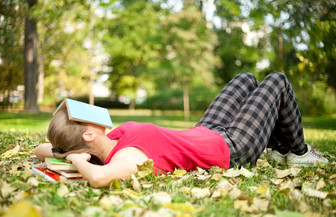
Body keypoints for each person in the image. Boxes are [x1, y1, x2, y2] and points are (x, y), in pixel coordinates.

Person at [34, 72, 329, 187]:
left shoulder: (107, 140)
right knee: (276, 81)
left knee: (246, 79)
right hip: (232, 147)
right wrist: (76, 161)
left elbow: (44, 148)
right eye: (85, 114)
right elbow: (98, 178)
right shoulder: (128, 157)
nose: (92, 110)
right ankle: (299, 152)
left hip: (208, 129)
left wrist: (68, 152)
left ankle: (279, 148)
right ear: (88, 135)